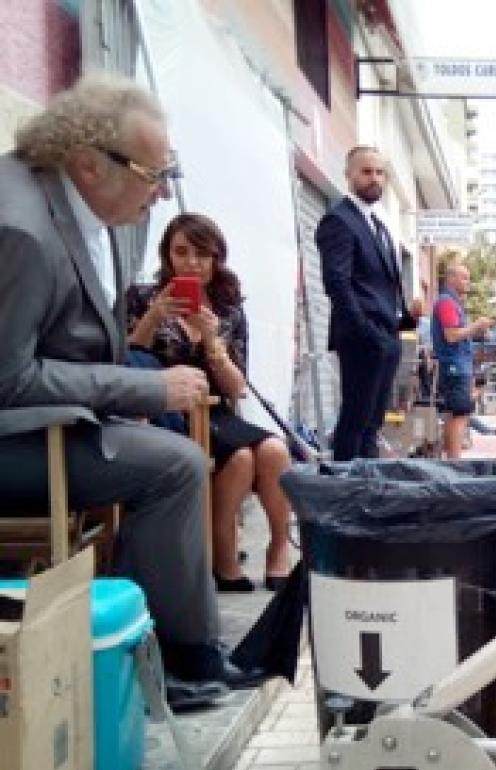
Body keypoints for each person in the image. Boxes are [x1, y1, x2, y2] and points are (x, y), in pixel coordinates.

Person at [0, 74, 255, 695]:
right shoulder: (21, 230)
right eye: (154, 173)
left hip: (60, 421)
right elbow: (9, 379)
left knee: (178, 452)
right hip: (19, 435)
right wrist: (147, 390)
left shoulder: (85, 208)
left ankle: (164, 648)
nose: (164, 189)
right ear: (88, 163)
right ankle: (167, 661)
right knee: (174, 465)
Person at [126, 213, 292, 593]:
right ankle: (224, 556)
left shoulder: (228, 309)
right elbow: (125, 360)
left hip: (217, 409)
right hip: (162, 411)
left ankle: (279, 546)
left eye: (203, 254)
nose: (191, 263)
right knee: (242, 458)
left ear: (217, 259)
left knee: (274, 451)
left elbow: (238, 389)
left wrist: (212, 342)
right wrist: (153, 317)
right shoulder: (141, 297)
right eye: (181, 252)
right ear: (166, 255)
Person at [316, 145, 423, 461]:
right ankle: (346, 493)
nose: (374, 178)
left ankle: (367, 492)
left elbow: (380, 286)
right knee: (355, 421)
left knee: (371, 424)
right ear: (348, 175)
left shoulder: (379, 224)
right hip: (362, 337)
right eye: (366, 171)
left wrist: (406, 321)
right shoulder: (339, 220)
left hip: (387, 335)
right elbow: (337, 283)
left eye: (379, 172)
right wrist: (365, 331)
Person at [430, 263, 494, 460]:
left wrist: (475, 331)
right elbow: (451, 335)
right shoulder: (447, 302)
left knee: (457, 413)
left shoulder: (453, 303)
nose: (468, 282)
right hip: (454, 366)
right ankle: (454, 461)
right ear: (451, 279)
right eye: (464, 277)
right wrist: (476, 326)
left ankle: (453, 460)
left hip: (457, 365)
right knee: (459, 414)